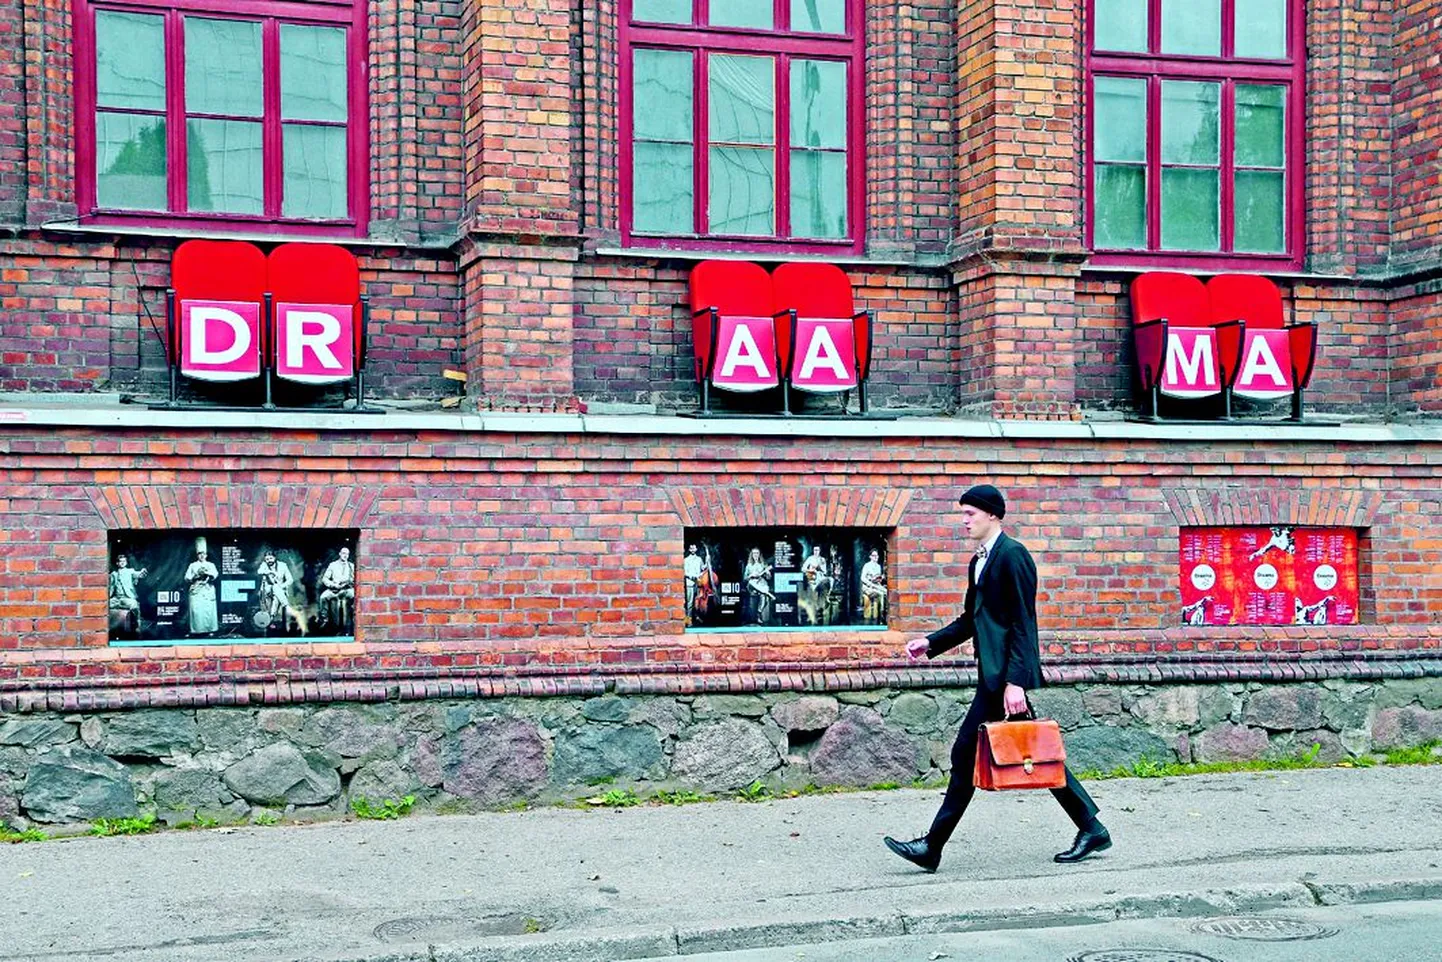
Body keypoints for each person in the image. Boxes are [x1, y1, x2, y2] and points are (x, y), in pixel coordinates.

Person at [884, 484, 1111, 872]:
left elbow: (1025, 623)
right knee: (1038, 754)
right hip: (994, 677)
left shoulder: (1013, 556)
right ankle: (1092, 828)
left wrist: (1016, 682)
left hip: (1004, 679)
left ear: (992, 515)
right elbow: (971, 620)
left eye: (970, 513)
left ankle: (932, 847)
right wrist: (929, 642)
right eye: (963, 513)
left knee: (970, 755)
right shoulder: (980, 561)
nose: (964, 520)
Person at [184, 537, 219, 636]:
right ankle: (196, 631)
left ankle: (210, 630)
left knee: (208, 611)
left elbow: (215, 575)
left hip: (207, 589)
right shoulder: (192, 565)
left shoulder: (211, 565)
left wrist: (207, 573)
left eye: (204, 553)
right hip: (196, 590)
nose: (202, 556)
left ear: (206, 555)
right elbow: (187, 578)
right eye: (200, 554)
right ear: (197, 555)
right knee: (197, 611)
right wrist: (196, 575)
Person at [257, 550, 297, 629]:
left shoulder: (283, 565)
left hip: (279, 590)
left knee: (276, 596)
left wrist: (281, 586)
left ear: (275, 558)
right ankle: (286, 605)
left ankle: (271, 619)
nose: (269, 561)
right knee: (275, 588)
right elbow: (259, 571)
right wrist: (269, 572)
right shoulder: (264, 565)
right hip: (267, 590)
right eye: (267, 559)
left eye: (271, 558)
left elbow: (290, 580)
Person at [108, 554, 147, 633]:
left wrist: (142, 573)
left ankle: (138, 625)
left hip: (127, 598)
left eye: (124, 561)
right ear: (117, 563)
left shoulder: (130, 571)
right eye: (120, 561)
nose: (122, 563)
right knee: (105, 605)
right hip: (116, 599)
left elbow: (138, 574)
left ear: (126, 563)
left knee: (134, 605)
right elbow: (110, 586)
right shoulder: (113, 574)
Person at [318, 547, 356, 629]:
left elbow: (356, 579)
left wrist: (350, 583)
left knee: (355, 596)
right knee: (323, 597)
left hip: (347, 590)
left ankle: (354, 618)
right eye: (343, 553)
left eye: (347, 554)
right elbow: (325, 579)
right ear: (340, 554)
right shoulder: (333, 565)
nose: (345, 555)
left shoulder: (351, 566)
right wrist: (333, 585)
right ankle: (324, 619)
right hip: (334, 590)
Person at [742, 547, 774, 626]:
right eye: (754, 553)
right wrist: (751, 575)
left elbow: (769, 578)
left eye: (757, 553)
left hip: (761, 583)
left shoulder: (763, 564)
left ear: (759, 555)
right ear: (752, 555)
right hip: (752, 584)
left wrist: (767, 573)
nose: (755, 555)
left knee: (764, 597)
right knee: (757, 588)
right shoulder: (749, 566)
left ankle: (759, 612)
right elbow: (744, 578)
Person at [860, 548, 886, 622]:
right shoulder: (867, 565)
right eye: (874, 556)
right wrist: (870, 583)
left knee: (886, 592)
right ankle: (881, 615)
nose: (876, 557)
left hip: (876, 585)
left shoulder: (878, 566)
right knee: (881, 594)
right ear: (870, 557)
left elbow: (878, 579)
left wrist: (880, 579)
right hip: (868, 587)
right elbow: (862, 578)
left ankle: (881, 613)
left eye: (877, 556)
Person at [683, 545, 704, 623]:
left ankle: (697, 617)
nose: (692, 550)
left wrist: (708, 561)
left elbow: (703, 568)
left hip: (698, 583)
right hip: (690, 583)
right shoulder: (686, 560)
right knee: (690, 603)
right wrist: (693, 576)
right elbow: (684, 572)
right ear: (689, 549)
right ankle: (688, 620)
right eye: (691, 548)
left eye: (694, 548)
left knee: (698, 601)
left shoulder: (699, 559)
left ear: (696, 549)